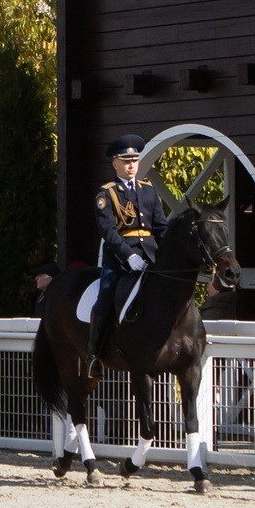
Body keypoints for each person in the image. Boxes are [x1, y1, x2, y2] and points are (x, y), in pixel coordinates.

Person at [91, 135, 167, 366]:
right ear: (115, 163)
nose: (131, 165)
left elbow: (161, 226)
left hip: (150, 255)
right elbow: (109, 232)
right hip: (119, 258)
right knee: (105, 296)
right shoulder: (106, 194)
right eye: (126, 161)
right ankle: (94, 353)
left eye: (134, 160)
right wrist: (129, 255)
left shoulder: (148, 190)